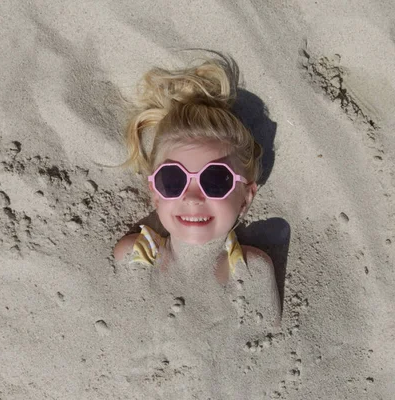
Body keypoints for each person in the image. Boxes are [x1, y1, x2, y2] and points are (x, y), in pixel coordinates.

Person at [113, 56, 280, 326]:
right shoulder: (133, 254)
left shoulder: (254, 270)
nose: (191, 197)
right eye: (173, 180)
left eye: (216, 180)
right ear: (155, 193)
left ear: (246, 197)